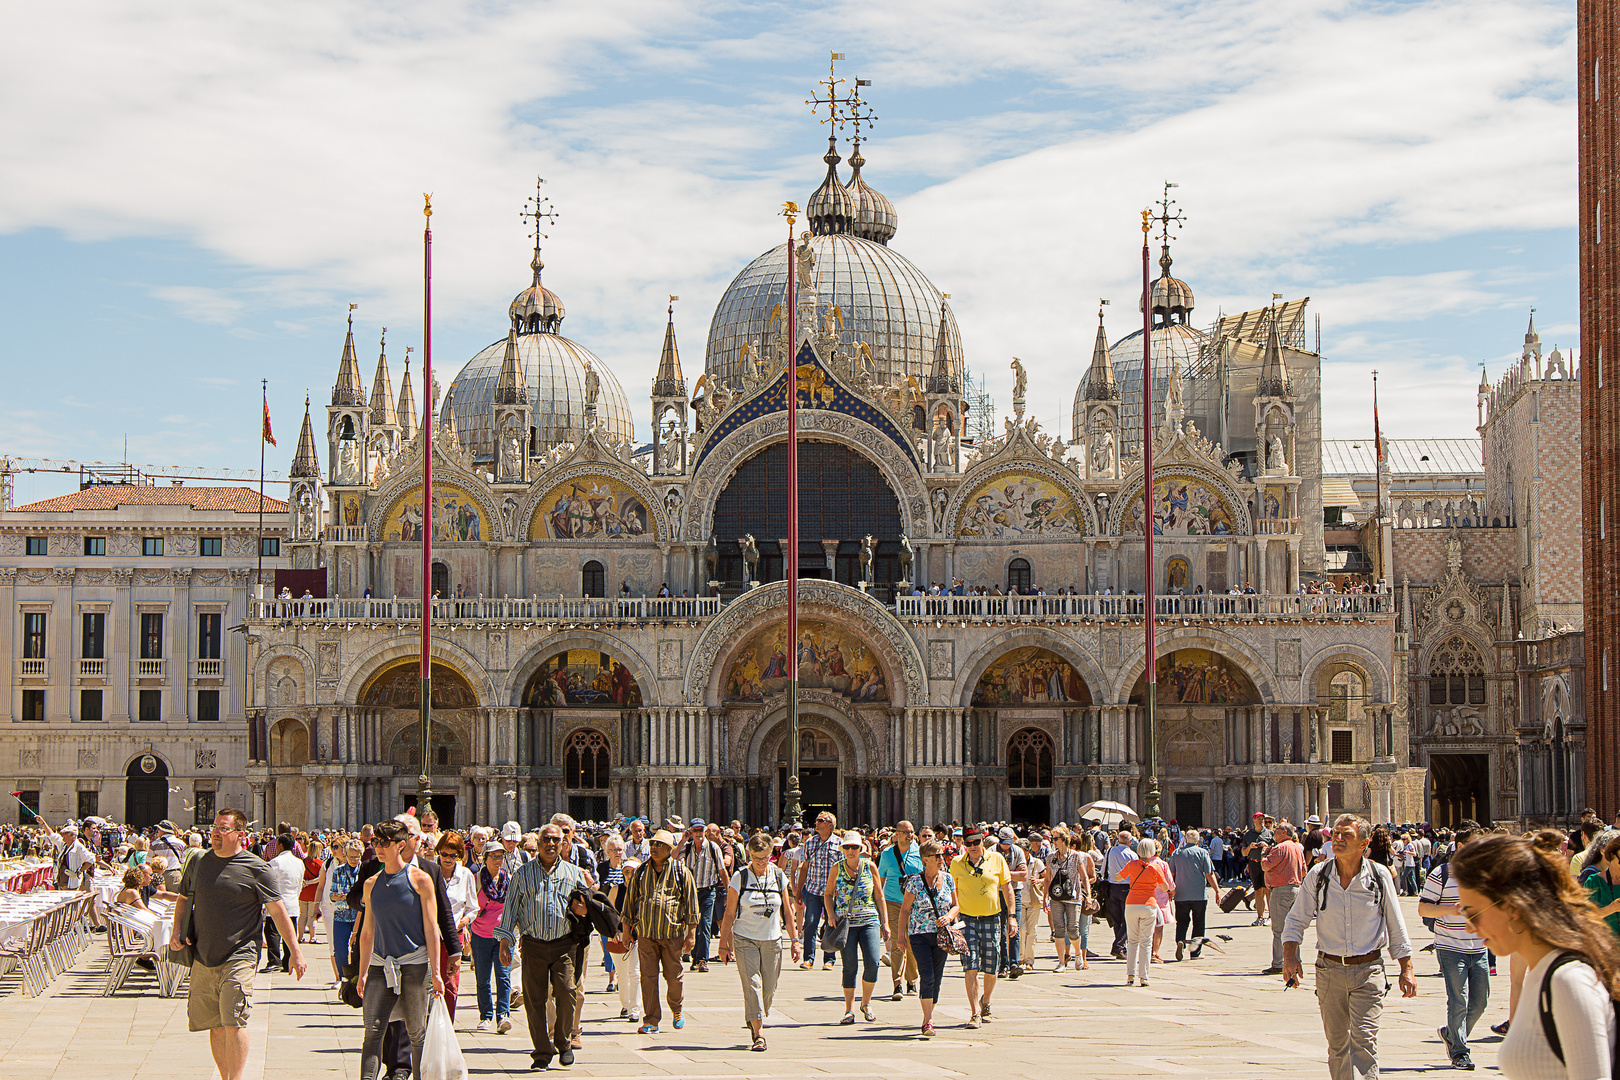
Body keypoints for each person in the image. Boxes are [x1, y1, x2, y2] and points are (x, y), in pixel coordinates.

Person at [1452, 830, 1620, 1078]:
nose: (1468, 926)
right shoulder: (1541, 975)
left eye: (1473, 913)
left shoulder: (1568, 981)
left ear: (1513, 907)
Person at [170, 809, 305, 1080]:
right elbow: (184, 898)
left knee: (234, 1020)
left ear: (240, 834)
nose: (216, 833)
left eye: (223, 828)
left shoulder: (257, 868)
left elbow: (278, 911)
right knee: (216, 1025)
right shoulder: (199, 863)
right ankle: (225, 1076)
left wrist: (295, 952)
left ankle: (236, 1078)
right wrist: (176, 930)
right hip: (204, 954)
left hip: (240, 954)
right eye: (214, 828)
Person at [1281, 814, 1417, 1080]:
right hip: (1329, 970)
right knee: (1338, 1045)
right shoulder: (1318, 876)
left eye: (1347, 835)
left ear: (1364, 843)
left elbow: (1396, 925)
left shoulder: (1378, 877)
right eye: (1337, 834)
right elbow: (1296, 919)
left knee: (1364, 1041)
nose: (1339, 840)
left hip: (1368, 971)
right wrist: (1289, 956)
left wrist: (1406, 968)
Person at [495, 823, 591, 1069]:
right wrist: (505, 940)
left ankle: (564, 1041)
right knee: (534, 999)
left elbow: (586, 907)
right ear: (537, 844)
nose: (551, 844)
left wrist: (584, 910)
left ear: (563, 844)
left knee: (568, 993)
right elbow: (510, 908)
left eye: (555, 840)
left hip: (564, 945)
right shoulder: (523, 874)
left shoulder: (574, 873)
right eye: (546, 839)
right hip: (533, 945)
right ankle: (541, 1051)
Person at [356, 821, 443, 1080]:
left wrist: (436, 972)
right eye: (375, 843)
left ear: (400, 845)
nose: (379, 848)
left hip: (415, 965)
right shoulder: (371, 884)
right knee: (372, 1031)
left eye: (385, 843)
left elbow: (431, 928)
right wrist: (362, 972)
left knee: (417, 1032)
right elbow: (368, 931)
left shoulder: (420, 880)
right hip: (380, 965)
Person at [717, 832, 799, 1050]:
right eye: (756, 858)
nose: (761, 863)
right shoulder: (740, 877)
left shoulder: (779, 875)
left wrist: (795, 940)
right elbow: (729, 913)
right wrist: (723, 943)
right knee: (752, 984)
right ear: (749, 855)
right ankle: (759, 1032)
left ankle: (754, 1015)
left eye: (764, 858)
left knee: (769, 988)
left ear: (771, 855)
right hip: (745, 939)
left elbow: (788, 912)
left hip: (773, 939)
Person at [1418, 823, 1489, 1069]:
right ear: (1461, 847)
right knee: (1458, 999)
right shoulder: (1441, 874)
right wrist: (1451, 909)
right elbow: (1423, 908)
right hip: (1450, 946)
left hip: (1479, 947)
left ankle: (1451, 1034)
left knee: (1480, 1003)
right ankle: (1460, 1052)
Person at [619, 828, 699, 1035]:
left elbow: (691, 904)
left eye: (659, 845)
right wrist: (626, 931)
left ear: (669, 849)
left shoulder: (682, 872)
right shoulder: (640, 871)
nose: (654, 848)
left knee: (674, 976)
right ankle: (651, 1019)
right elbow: (629, 903)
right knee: (648, 977)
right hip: (646, 933)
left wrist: (691, 934)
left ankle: (676, 1008)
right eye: (653, 844)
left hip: (672, 934)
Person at [949, 826, 1016, 1027]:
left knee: (991, 966)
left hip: (992, 918)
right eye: (968, 844)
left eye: (976, 843)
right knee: (970, 966)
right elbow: (953, 892)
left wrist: (1012, 916)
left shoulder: (997, 860)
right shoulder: (956, 863)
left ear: (983, 841)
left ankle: (985, 1001)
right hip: (967, 921)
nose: (972, 847)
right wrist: (953, 918)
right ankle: (975, 1012)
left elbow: (1007, 888)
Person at [825, 830, 888, 1025]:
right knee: (849, 966)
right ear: (842, 849)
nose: (851, 850)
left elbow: (879, 896)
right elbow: (828, 894)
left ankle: (866, 1003)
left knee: (873, 962)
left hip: (869, 920)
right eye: (847, 847)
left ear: (861, 849)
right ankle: (849, 1009)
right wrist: (831, 914)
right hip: (846, 923)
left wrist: (885, 923)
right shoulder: (837, 868)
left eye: (854, 847)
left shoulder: (870, 867)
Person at [899, 838, 959, 1038]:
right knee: (927, 976)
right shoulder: (915, 881)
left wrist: (950, 916)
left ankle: (928, 1014)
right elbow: (905, 910)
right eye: (937, 855)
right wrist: (901, 937)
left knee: (938, 977)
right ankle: (928, 1020)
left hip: (942, 935)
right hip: (919, 935)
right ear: (925, 859)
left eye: (942, 855)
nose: (942, 859)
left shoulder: (948, 878)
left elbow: (956, 905)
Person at [470, 840, 513, 1034]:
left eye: (500, 856)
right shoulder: (475, 879)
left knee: (503, 977)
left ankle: (503, 1015)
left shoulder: (510, 879)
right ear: (484, 858)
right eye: (493, 856)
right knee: (483, 977)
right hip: (480, 934)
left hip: (504, 936)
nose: (498, 860)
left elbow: (514, 907)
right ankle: (485, 1016)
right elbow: (469, 905)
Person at [876, 820, 923, 999]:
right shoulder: (887, 854)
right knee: (897, 942)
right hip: (893, 902)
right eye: (905, 832)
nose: (909, 835)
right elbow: (880, 880)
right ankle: (897, 984)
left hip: (914, 904)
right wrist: (879, 906)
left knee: (913, 944)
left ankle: (912, 980)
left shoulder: (919, 852)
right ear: (897, 834)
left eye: (911, 832)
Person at [435, 832, 476, 1022]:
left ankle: (447, 1026)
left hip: (454, 935)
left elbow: (472, 908)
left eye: (454, 855)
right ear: (438, 852)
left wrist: (464, 922)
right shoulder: (429, 872)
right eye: (445, 854)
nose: (449, 859)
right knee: (430, 981)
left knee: (451, 982)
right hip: (432, 935)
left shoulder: (465, 874)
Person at [599, 835, 641, 1023]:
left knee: (635, 973)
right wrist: (613, 932)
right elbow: (610, 912)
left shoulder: (644, 891)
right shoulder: (617, 889)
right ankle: (626, 1004)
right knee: (622, 975)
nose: (629, 876)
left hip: (639, 936)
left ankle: (635, 1009)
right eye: (626, 872)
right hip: (619, 935)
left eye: (633, 872)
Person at [793, 812, 841, 969]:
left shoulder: (839, 844)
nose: (816, 823)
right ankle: (808, 959)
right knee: (811, 923)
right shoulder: (810, 843)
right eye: (817, 820)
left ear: (830, 825)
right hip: (813, 890)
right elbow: (804, 868)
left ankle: (829, 959)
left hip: (831, 892)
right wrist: (799, 891)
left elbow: (842, 870)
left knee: (830, 923)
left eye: (820, 820)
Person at [1122, 837, 1172, 986]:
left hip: (1131, 904)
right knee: (1146, 942)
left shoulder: (1131, 864)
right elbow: (1165, 887)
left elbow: (1118, 877)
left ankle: (1130, 975)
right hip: (1148, 905)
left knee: (1132, 941)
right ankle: (1143, 977)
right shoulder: (1155, 867)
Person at [678, 818, 726, 972]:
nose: (698, 833)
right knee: (692, 925)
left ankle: (702, 959)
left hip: (707, 891)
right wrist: (682, 840)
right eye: (695, 830)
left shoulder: (713, 848)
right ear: (690, 832)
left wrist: (729, 892)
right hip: (690, 893)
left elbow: (722, 870)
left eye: (701, 830)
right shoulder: (687, 848)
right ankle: (694, 957)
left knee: (704, 924)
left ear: (705, 832)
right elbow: (672, 856)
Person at [1167, 828, 1220, 961]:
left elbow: (1170, 874)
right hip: (1199, 895)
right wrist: (1217, 891)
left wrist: (1169, 891)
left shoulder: (1177, 853)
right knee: (1199, 923)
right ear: (1198, 841)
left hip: (1181, 895)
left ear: (1185, 840)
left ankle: (1180, 941)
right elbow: (1209, 874)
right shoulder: (1203, 853)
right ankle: (1195, 952)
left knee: (1182, 922)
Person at [1044, 827, 1091, 971]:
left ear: (1064, 839)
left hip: (1073, 897)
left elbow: (1084, 877)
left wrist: (1088, 895)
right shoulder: (1050, 857)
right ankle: (1061, 962)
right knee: (1058, 929)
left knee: (1073, 929)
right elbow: (1047, 878)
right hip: (1056, 897)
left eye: (1056, 839)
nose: (1054, 842)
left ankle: (1077, 954)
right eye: (1053, 839)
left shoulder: (1076, 856)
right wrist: (1045, 897)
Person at [1263, 823, 1307, 975]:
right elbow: (1303, 870)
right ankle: (1296, 960)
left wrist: (1264, 855)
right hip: (1296, 889)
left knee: (1279, 929)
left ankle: (1279, 963)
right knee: (1293, 927)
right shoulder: (1297, 848)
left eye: (1275, 830)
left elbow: (1266, 866)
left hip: (1281, 889)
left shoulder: (1279, 848)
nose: (1273, 833)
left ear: (1283, 832)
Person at [266, 833, 305, 973]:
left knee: (272, 933)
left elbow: (268, 884)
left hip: (277, 902)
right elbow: (300, 883)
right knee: (290, 932)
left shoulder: (275, 863)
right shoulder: (299, 862)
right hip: (293, 900)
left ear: (280, 845)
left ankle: (274, 960)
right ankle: (288, 959)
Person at [328, 840, 362, 985]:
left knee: (359, 950)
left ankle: (358, 978)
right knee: (340, 950)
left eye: (357, 857)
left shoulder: (365, 870)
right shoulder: (338, 870)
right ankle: (344, 979)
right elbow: (332, 894)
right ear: (345, 855)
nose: (354, 860)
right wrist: (336, 897)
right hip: (341, 915)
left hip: (359, 915)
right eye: (351, 856)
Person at [1103, 828, 1138, 958]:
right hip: (1127, 888)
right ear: (1129, 842)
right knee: (1128, 920)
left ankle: (1121, 948)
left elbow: (1103, 870)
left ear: (1118, 840)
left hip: (1112, 888)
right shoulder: (1132, 855)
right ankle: (1118, 946)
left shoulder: (1110, 851)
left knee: (1117, 919)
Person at [298, 839, 325, 944]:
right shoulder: (320, 863)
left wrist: (304, 882)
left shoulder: (303, 862)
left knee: (303, 915)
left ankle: (300, 937)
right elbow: (320, 878)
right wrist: (310, 882)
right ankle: (312, 938)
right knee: (312, 916)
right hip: (314, 893)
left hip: (303, 892)